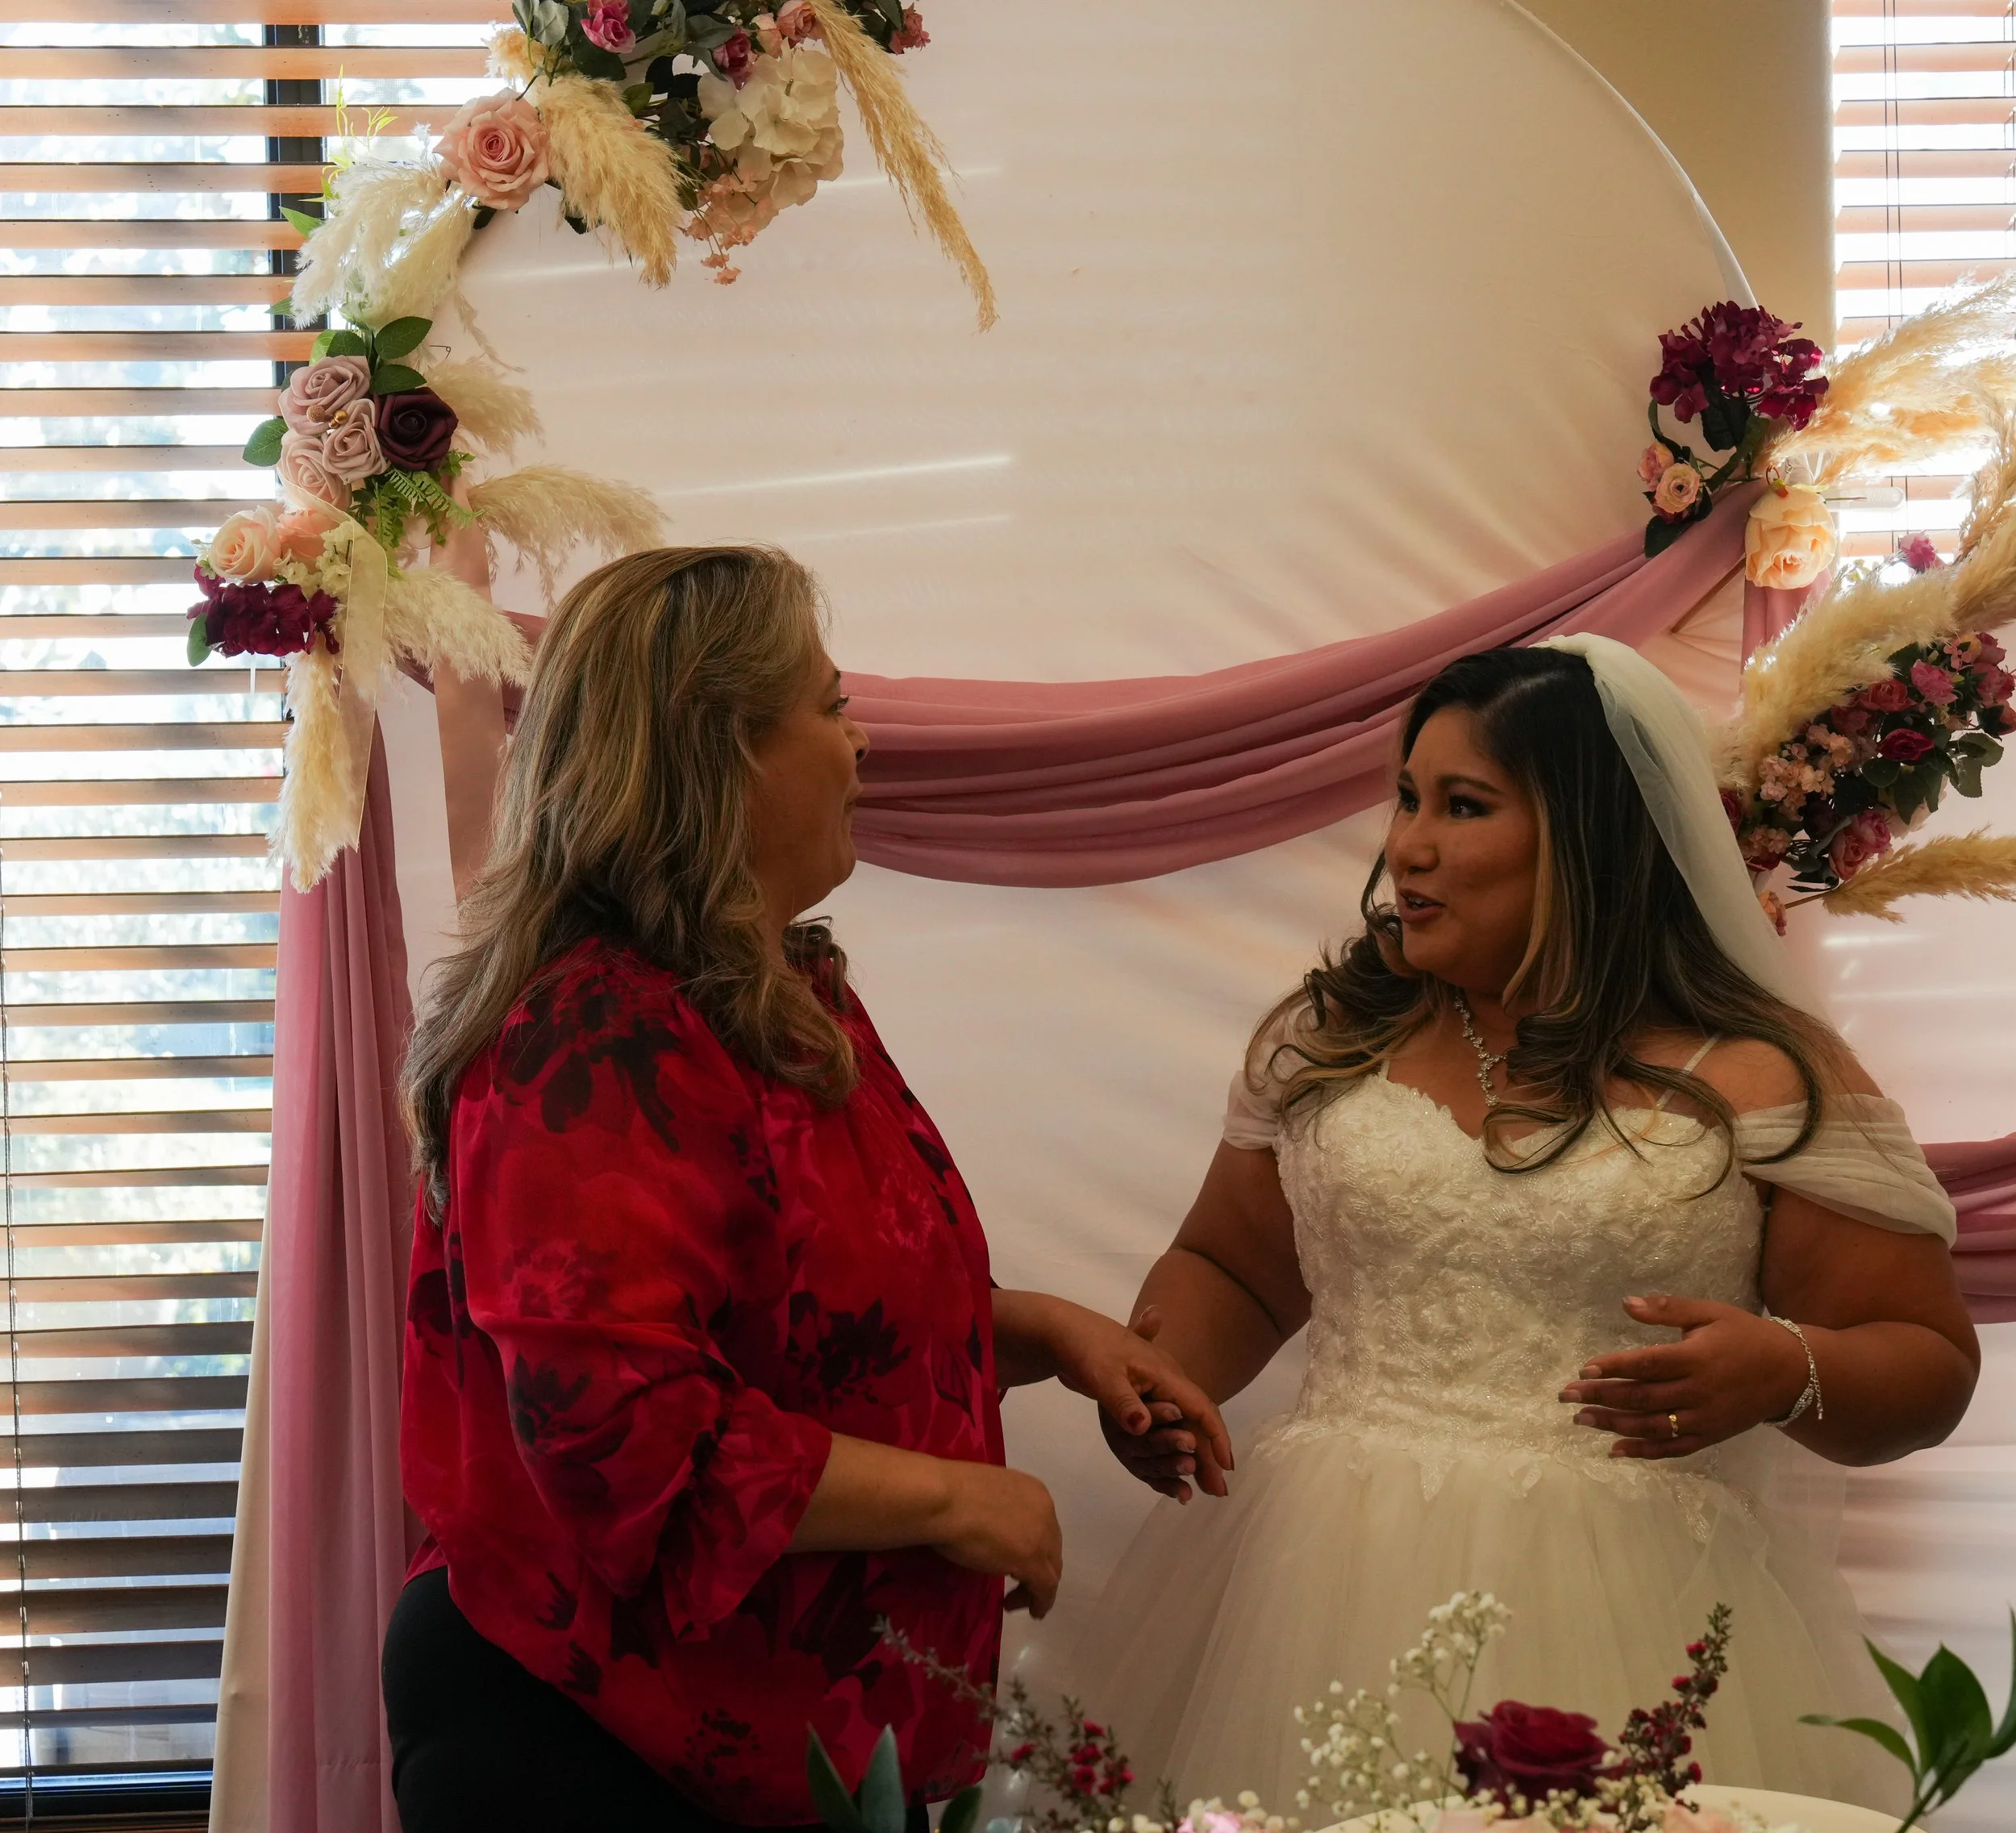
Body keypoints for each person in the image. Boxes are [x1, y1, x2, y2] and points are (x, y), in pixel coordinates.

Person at [384, 546, 1232, 1833]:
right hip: (590, 1738)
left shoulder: (773, 997)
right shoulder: (590, 1045)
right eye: (831, 708)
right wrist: (962, 1499)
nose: (863, 742)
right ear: (719, 751)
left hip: (776, 1740)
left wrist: (1052, 1335)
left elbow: (802, 1319)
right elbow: (620, 1436)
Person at [1066, 637, 1976, 1814]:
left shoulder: (1759, 1078)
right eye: (1406, 798)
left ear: (1589, 836)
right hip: (1318, 1588)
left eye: (1463, 805)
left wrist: (1786, 1369)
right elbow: (1234, 1269)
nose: (1409, 845)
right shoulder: (1328, 1041)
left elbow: (1928, 1360)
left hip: (1630, 1618)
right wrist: (1164, 1376)